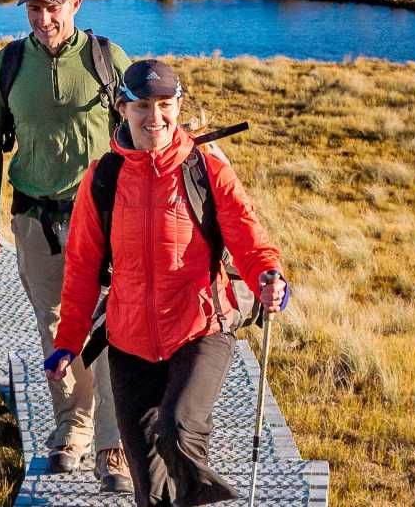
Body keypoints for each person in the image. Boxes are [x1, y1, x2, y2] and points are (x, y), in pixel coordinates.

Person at [46, 59, 291, 507]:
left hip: (199, 330)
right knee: (149, 488)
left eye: (164, 105)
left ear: (178, 106)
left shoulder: (207, 171)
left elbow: (250, 242)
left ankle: (200, 497)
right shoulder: (103, 179)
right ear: (122, 107)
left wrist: (268, 279)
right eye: (142, 105)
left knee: (178, 430)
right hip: (128, 341)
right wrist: (67, 342)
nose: (154, 117)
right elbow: (81, 268)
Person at [0, 0, 133, 492]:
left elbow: (146, 132)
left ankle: (112, 444)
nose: (43, 19)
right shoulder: (9, 64)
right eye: (35, 8)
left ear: (76, 6)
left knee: (106, 330)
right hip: (35, 220)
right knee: (56, 327)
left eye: (53, 7)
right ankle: (71, 429)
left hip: (102, 222)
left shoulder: (108, 61)